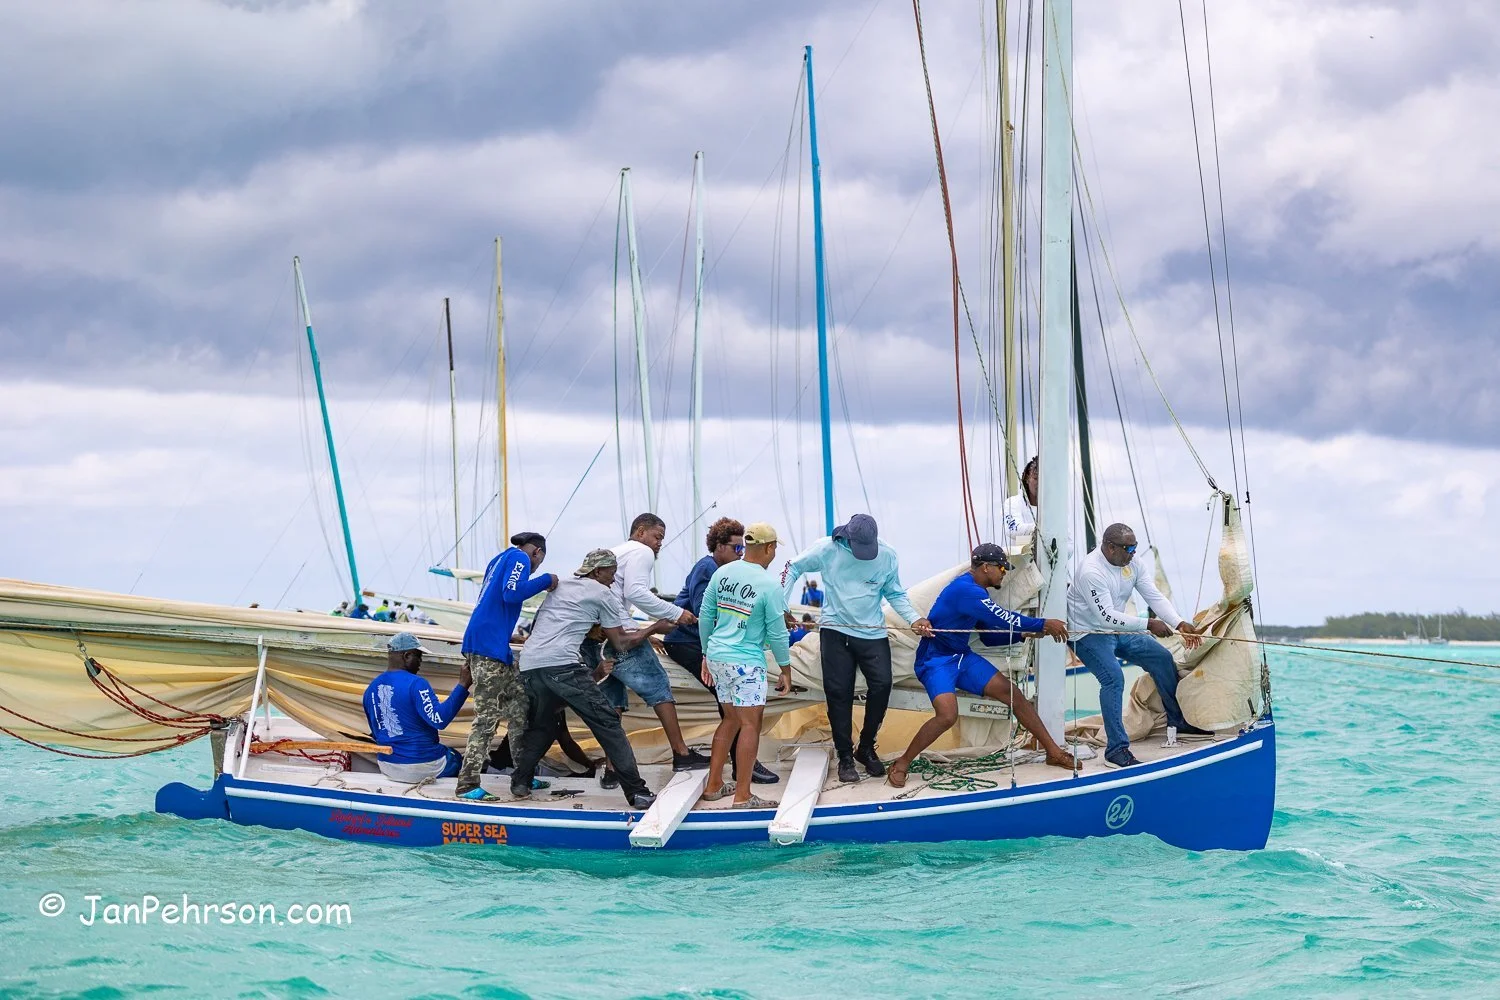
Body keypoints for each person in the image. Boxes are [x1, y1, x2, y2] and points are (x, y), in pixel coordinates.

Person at [887, 544, 1074, 787]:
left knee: (1013, 694)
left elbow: (986, 636)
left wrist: (1024, 635)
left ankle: (1053, 752)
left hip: (961, 656)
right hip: (935, 659)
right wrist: (1042, 624)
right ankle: (902, 763)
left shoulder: (976, 592)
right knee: (947, 715)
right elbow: (1000, 617)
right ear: (986, 567)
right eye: (1002, 568)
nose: (1004, 573)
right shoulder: (967, 591)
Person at [508, 549, 676, 809]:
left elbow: (543, 624)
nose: (614, 579)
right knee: (608, 722)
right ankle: (637, 792)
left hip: (530, 665)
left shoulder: (560, 586)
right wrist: (654, 628)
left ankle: (520, 781)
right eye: (611, 573)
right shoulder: (602, 593)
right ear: (597, 572)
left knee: (543, 725)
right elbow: (620, 643)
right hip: (562, 665)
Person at [781, 514, 932, 783]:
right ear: (847, 539)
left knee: (883, 684)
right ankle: (845, 756)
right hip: (835, 631)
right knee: (839, 693)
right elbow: (792, 567)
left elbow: (895, 593)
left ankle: (865, 747)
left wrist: (914, 618)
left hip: (872, 632)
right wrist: (781, 604)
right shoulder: (827, 548)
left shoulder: (887, 555)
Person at [1068, 522, 1206, 768]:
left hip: (1118, 628)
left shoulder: (1131, 563)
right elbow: (1105, 616)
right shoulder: (1091, 571)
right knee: (1113, 679)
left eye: (1135, 547)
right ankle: (1116, 750)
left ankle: (1178, 721)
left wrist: (1179, 622)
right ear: (1110, 548)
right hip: (1087, 632)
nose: (1133, 553)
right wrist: (1148, 624)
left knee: (1162, 658)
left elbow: (1153, 595)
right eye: (1128, 548)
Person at [659, 518, 781, 785]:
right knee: (737, 711)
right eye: (736, 548)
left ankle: (732, 770)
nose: (740, 554)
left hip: (707, 643)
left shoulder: (729, 572)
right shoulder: (708, 568)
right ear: (719, 546)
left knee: (732, 713)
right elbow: (709, 613)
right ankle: (743, 766)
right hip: (685, 641)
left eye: (743, 548)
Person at [603, 513, 712, 772]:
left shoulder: (616, 552)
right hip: (621, 637)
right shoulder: (641, 551)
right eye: (657, 537)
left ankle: (611, 769)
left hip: (602, 635)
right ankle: (682, 754)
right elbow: (635, 592)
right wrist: (676, 613)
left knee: (614, 701)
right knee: (660, 687)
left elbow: (616, 597)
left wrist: (645, 632)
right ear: (640, 532)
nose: (659, 543)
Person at [454, 531, 559, 799]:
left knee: (519, 706)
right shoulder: (520, 559)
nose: (536, 567)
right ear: (537, 552)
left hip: (491, 643)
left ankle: (522, 774)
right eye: (540, 562)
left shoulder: (498, 560)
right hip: (487, 647)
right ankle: (466, 784)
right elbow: (512, 593)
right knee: (487, 718)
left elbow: (494, 602)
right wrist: (547, 580)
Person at [695, 522, 793, 808]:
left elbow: (705, 616)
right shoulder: (770, 585)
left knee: (731, 720)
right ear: (770, 548)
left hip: (717, 656)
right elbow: (777, 633)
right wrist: (785, 669)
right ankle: (743, 795)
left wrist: (705, 653)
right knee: (750, 725)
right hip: (746, 662)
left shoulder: (722, 572)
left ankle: (714, 785)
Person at [363, 633, 471, 782]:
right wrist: (463, 684)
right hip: (420, 766)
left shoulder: (371, 688)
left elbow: (375, 732)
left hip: (387, 765)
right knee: (455, 757)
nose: (420, 661)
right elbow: (439, 720)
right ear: (407, 656)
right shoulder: (417, 684)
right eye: (418, 656)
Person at [1003, 456, 1039, 540]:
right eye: (1036, 478)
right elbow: (1013, 530)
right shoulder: (1013, 502)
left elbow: (1069, 544)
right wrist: (1045, 528)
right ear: (1027, 478)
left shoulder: (1056, 510)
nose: (1040, 483)